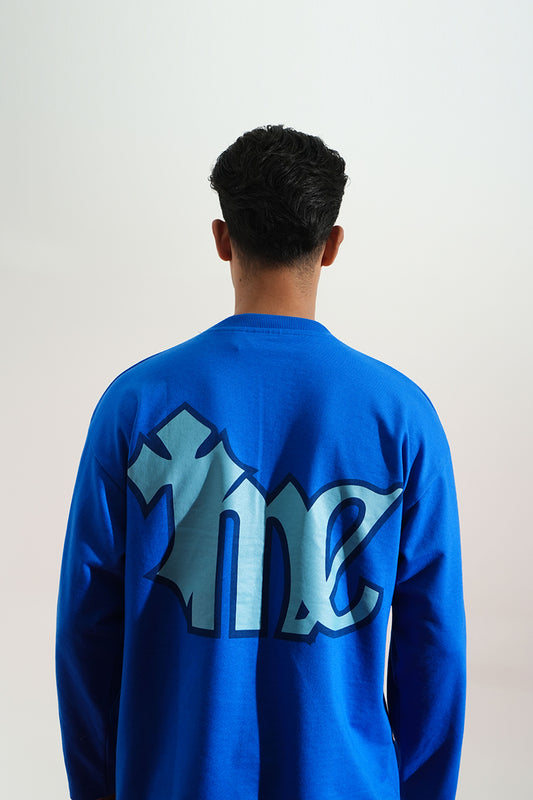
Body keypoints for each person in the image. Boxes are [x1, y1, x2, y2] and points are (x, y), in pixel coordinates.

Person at [56, 124, 466, 800]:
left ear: (222, 239)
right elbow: (434, 644)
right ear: (332, 245)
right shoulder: (400, 415)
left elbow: (85, 631)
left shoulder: (135, 405)